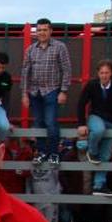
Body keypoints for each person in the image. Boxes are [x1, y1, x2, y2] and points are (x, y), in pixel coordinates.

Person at [75, 59, 112, 197]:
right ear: (98, 73)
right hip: (96, 117)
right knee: (99, 130)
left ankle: (99, 185)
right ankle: (92, 151)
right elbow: (81, 103)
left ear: (111, 73)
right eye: (102, 73)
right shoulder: (92, 85)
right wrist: (81, 123)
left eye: (107, 72)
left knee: (106, 155)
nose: (104, 75)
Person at [21, 18, 71, 166]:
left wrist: (63, 91)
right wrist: (24, 94)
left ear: (50, 31)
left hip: (52, 90)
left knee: (51, 122)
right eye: (39, 30)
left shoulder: (59, 47)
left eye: (44, 30)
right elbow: (25, 73)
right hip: (35, 92)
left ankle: (54, 153)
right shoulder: (30, 49)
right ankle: (42, 152)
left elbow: (66, 69)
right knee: (38, 123)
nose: (41, 33)